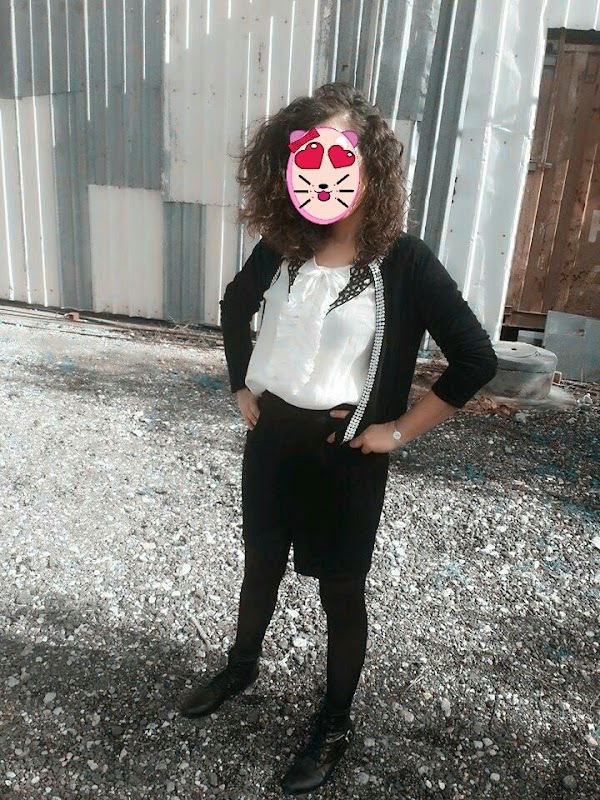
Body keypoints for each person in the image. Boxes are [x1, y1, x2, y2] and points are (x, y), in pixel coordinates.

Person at [178, 82, 498, 795]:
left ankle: (333, 721)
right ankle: (241, 666)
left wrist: (399, 431)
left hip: (344, 452)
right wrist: (240, 387)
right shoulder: (284, 245)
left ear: (369, 164)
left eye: (337, 155)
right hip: (271, 441)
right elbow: (234, 306)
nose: (322, 172)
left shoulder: (405, 262)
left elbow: (476, 359)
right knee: (260, 563)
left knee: (341, 592)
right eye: (307, 158)